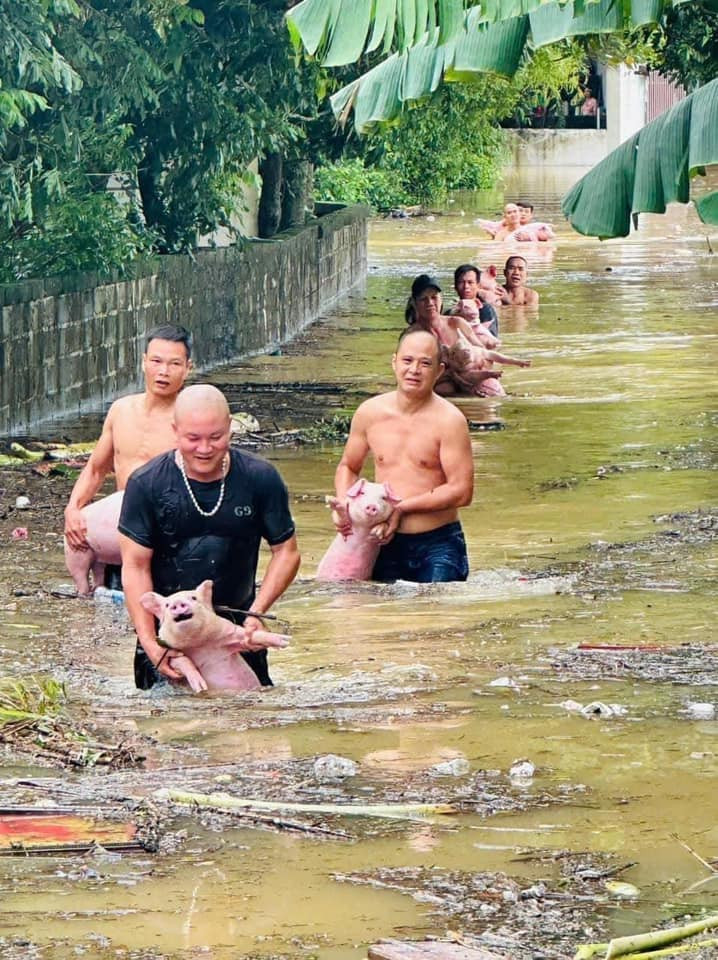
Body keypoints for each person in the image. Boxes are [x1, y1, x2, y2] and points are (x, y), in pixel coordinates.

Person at [117, 384, 301, 689]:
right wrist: (151, 644)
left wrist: (257, 612)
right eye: (193, 439)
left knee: (251, 722)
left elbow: (287, 552)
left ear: (230, 428)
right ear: (175, 431)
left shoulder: (260, 477)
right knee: (164, 728)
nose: (204, 449)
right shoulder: (147, 484)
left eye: (216, 437)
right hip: (168, 633)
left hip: (237, 630)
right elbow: (135, 567)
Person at [332, 328, 473, 583]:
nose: (414, 370)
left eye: (425, 363)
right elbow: (348, 467)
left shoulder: (450, 421)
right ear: (394, 362)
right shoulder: (369, 413)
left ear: (439, 371)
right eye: (407, 361)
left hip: (438, 543)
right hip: (381, 542)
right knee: (380, 617)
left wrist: (402, 508)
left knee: (437, 618)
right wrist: (346, 506)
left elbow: (462, 491)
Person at [63, 325, 193, 585]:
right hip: (123, 529)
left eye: (174, 364)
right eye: (156, 361)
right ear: (144, 362)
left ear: (188, 367)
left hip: (169, 538)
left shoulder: (192, 418)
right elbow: (96, 469)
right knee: (102, 610)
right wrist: (73, 508)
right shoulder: (121, 410)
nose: (163, 371)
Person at [407, 274, 528, 397]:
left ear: (441, 299)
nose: (430, 303)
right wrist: (450, 374)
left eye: (434, 297)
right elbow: (411, 375)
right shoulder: (411, 336)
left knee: (491, 387)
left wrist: (472, 365)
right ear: (414, 303)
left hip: (472, 376)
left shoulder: (457, 323)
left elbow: (485, 357)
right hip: (440, 383)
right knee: (445, 389)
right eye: (423, 299)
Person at [449, 264, 500, 340]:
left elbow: (490, 338)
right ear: (455, 287)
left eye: (470, 282)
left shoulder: (485, 310)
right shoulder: (449, 314)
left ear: (478, 286)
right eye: (461, 282)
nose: (466, 286)